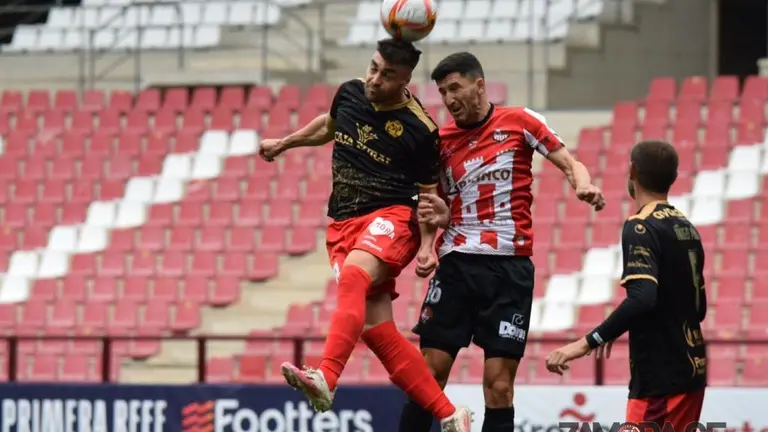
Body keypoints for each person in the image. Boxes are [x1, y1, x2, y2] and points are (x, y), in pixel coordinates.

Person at [258, 39, 473, 432]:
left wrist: (427, 247)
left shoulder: (420, 129)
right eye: (373, 68)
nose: (374, 79)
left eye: (387, 75)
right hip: (342, 224)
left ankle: (326, 377)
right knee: (377, 332)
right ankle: (449, 415)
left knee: (356, 276)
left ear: (406, 80)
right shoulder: (351, 91)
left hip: (391, 217)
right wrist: (284, 143)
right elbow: (329, 125)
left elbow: (428, 195)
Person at [400, 51, 605, 432]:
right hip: (458, 262)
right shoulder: (438, 142)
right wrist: (429, 243)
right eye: (443, 92)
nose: (449, 99)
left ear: (479, 85)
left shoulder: (521, 121)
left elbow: (569, 162)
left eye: (455, 88)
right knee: (428, 375)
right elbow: (432, 203)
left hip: (509, 269)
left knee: (498, 386)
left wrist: (584, 184)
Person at [545, 140, 707, 431]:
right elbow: (700, 308)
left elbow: (642, 298)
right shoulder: (687, 227)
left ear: (632, 171)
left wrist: (585, 343)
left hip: (661, 380)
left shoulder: (641, 226)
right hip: (692, 369)